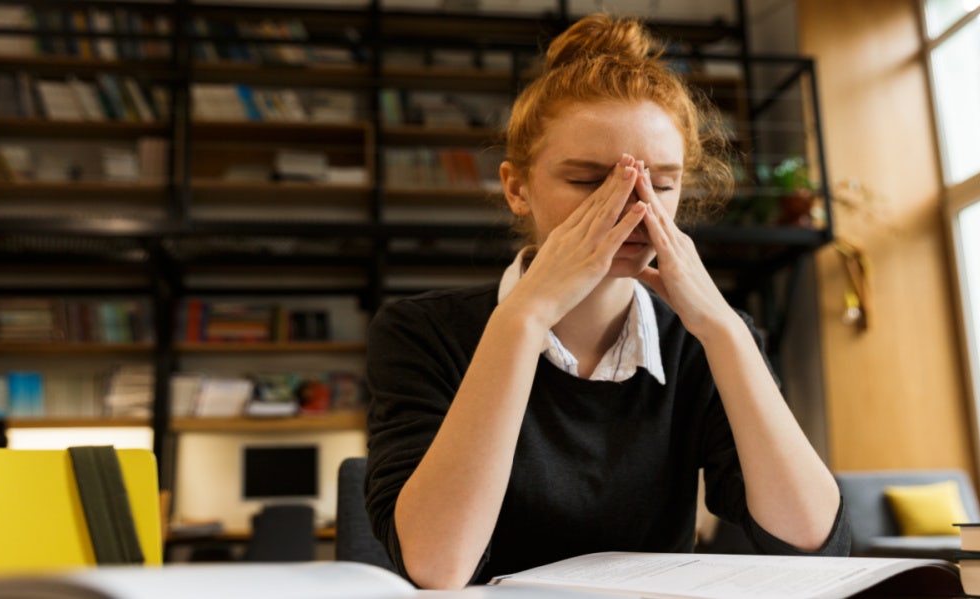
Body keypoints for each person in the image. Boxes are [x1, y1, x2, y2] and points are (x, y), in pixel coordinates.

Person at [363, 13, 850, 590]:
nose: (630, 210)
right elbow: (436, 567)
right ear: (516, 188)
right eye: (591, 181)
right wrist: (524, 318)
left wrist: (722, 328)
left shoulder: (705, 341)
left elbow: (811, 539)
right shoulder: (420, 332)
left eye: (661, 185)